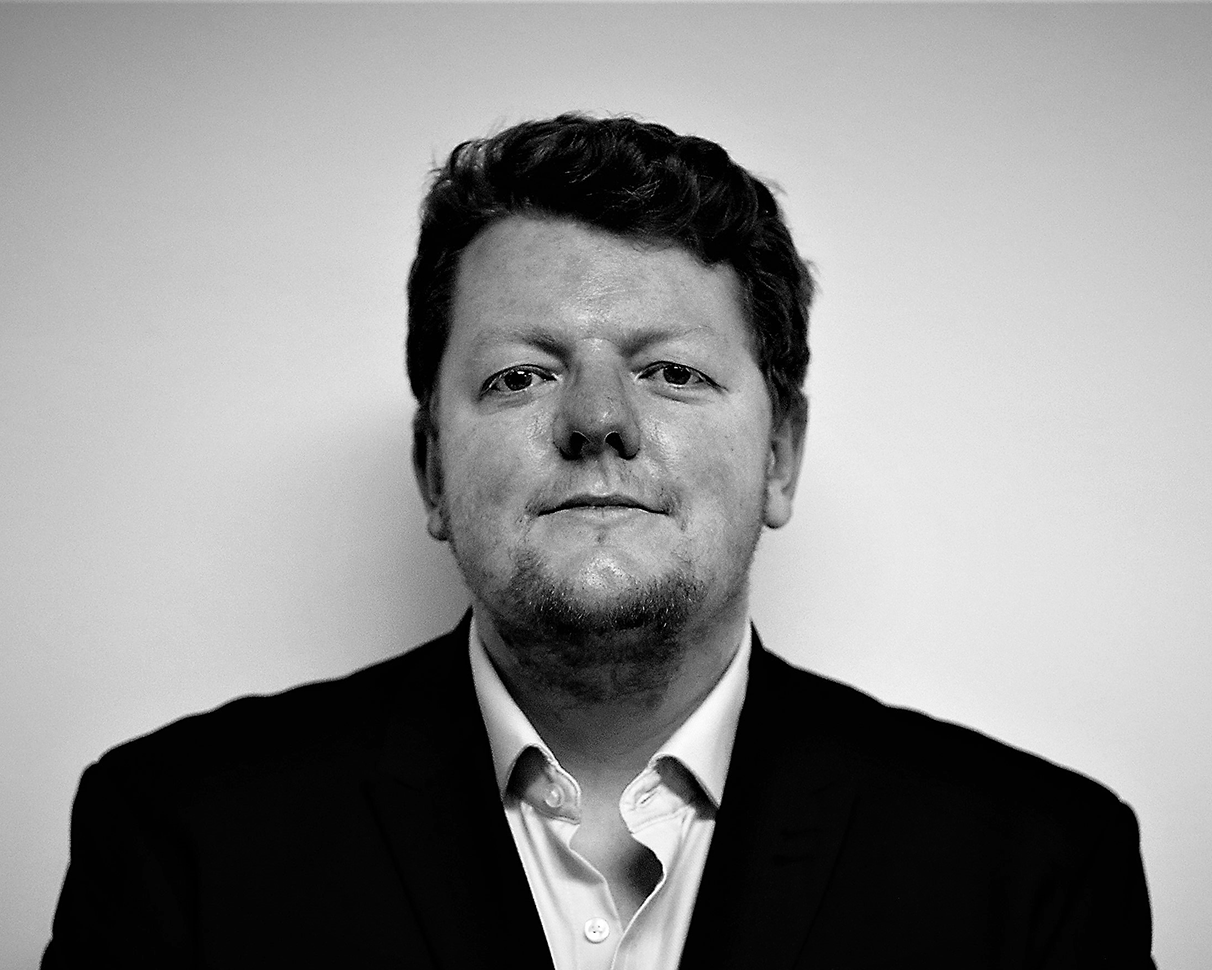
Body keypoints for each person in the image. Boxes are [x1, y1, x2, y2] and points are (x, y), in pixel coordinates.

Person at [42, 113, 1154, 969]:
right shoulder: (177, 840)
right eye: (521, 374)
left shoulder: (1037, 867)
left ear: (779, 459)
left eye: (672, 370)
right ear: (432, 468)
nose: (597, 418)